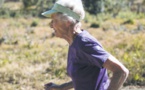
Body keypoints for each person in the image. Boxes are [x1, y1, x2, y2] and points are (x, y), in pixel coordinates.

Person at [42, 0, 129, 90]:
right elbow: (84, 78)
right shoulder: (75, 42)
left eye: (54, 20)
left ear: (67, 22)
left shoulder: (84, 44)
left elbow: (121, 71)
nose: (51, 25)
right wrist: (60, 87)